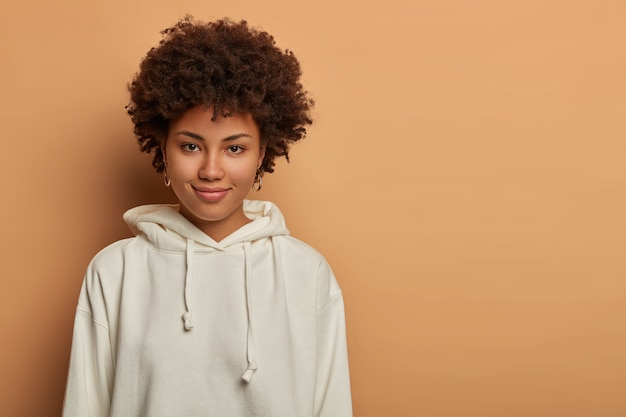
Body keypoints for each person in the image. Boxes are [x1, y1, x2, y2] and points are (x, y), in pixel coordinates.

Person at [62, 16, 352, 417]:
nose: (211, 170)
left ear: (263, 153)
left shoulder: (307, 273)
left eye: (234, 148)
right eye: (190, 146)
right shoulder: (115, 272)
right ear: (163, 149)